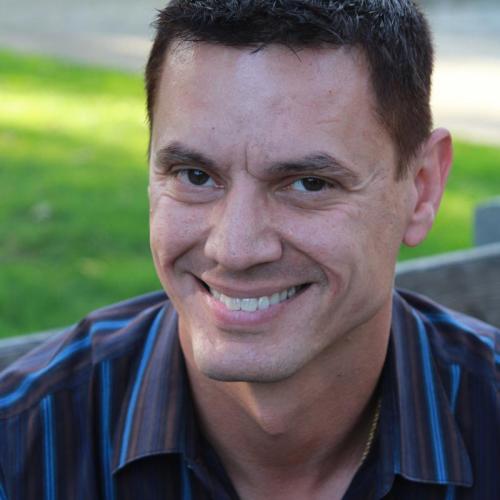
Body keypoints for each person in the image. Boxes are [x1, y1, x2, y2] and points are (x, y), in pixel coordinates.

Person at [0, 1, 498, 499]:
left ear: (422, 188)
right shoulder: (19, 449)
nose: (234, 249)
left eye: (308, 183)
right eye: (195, 176)